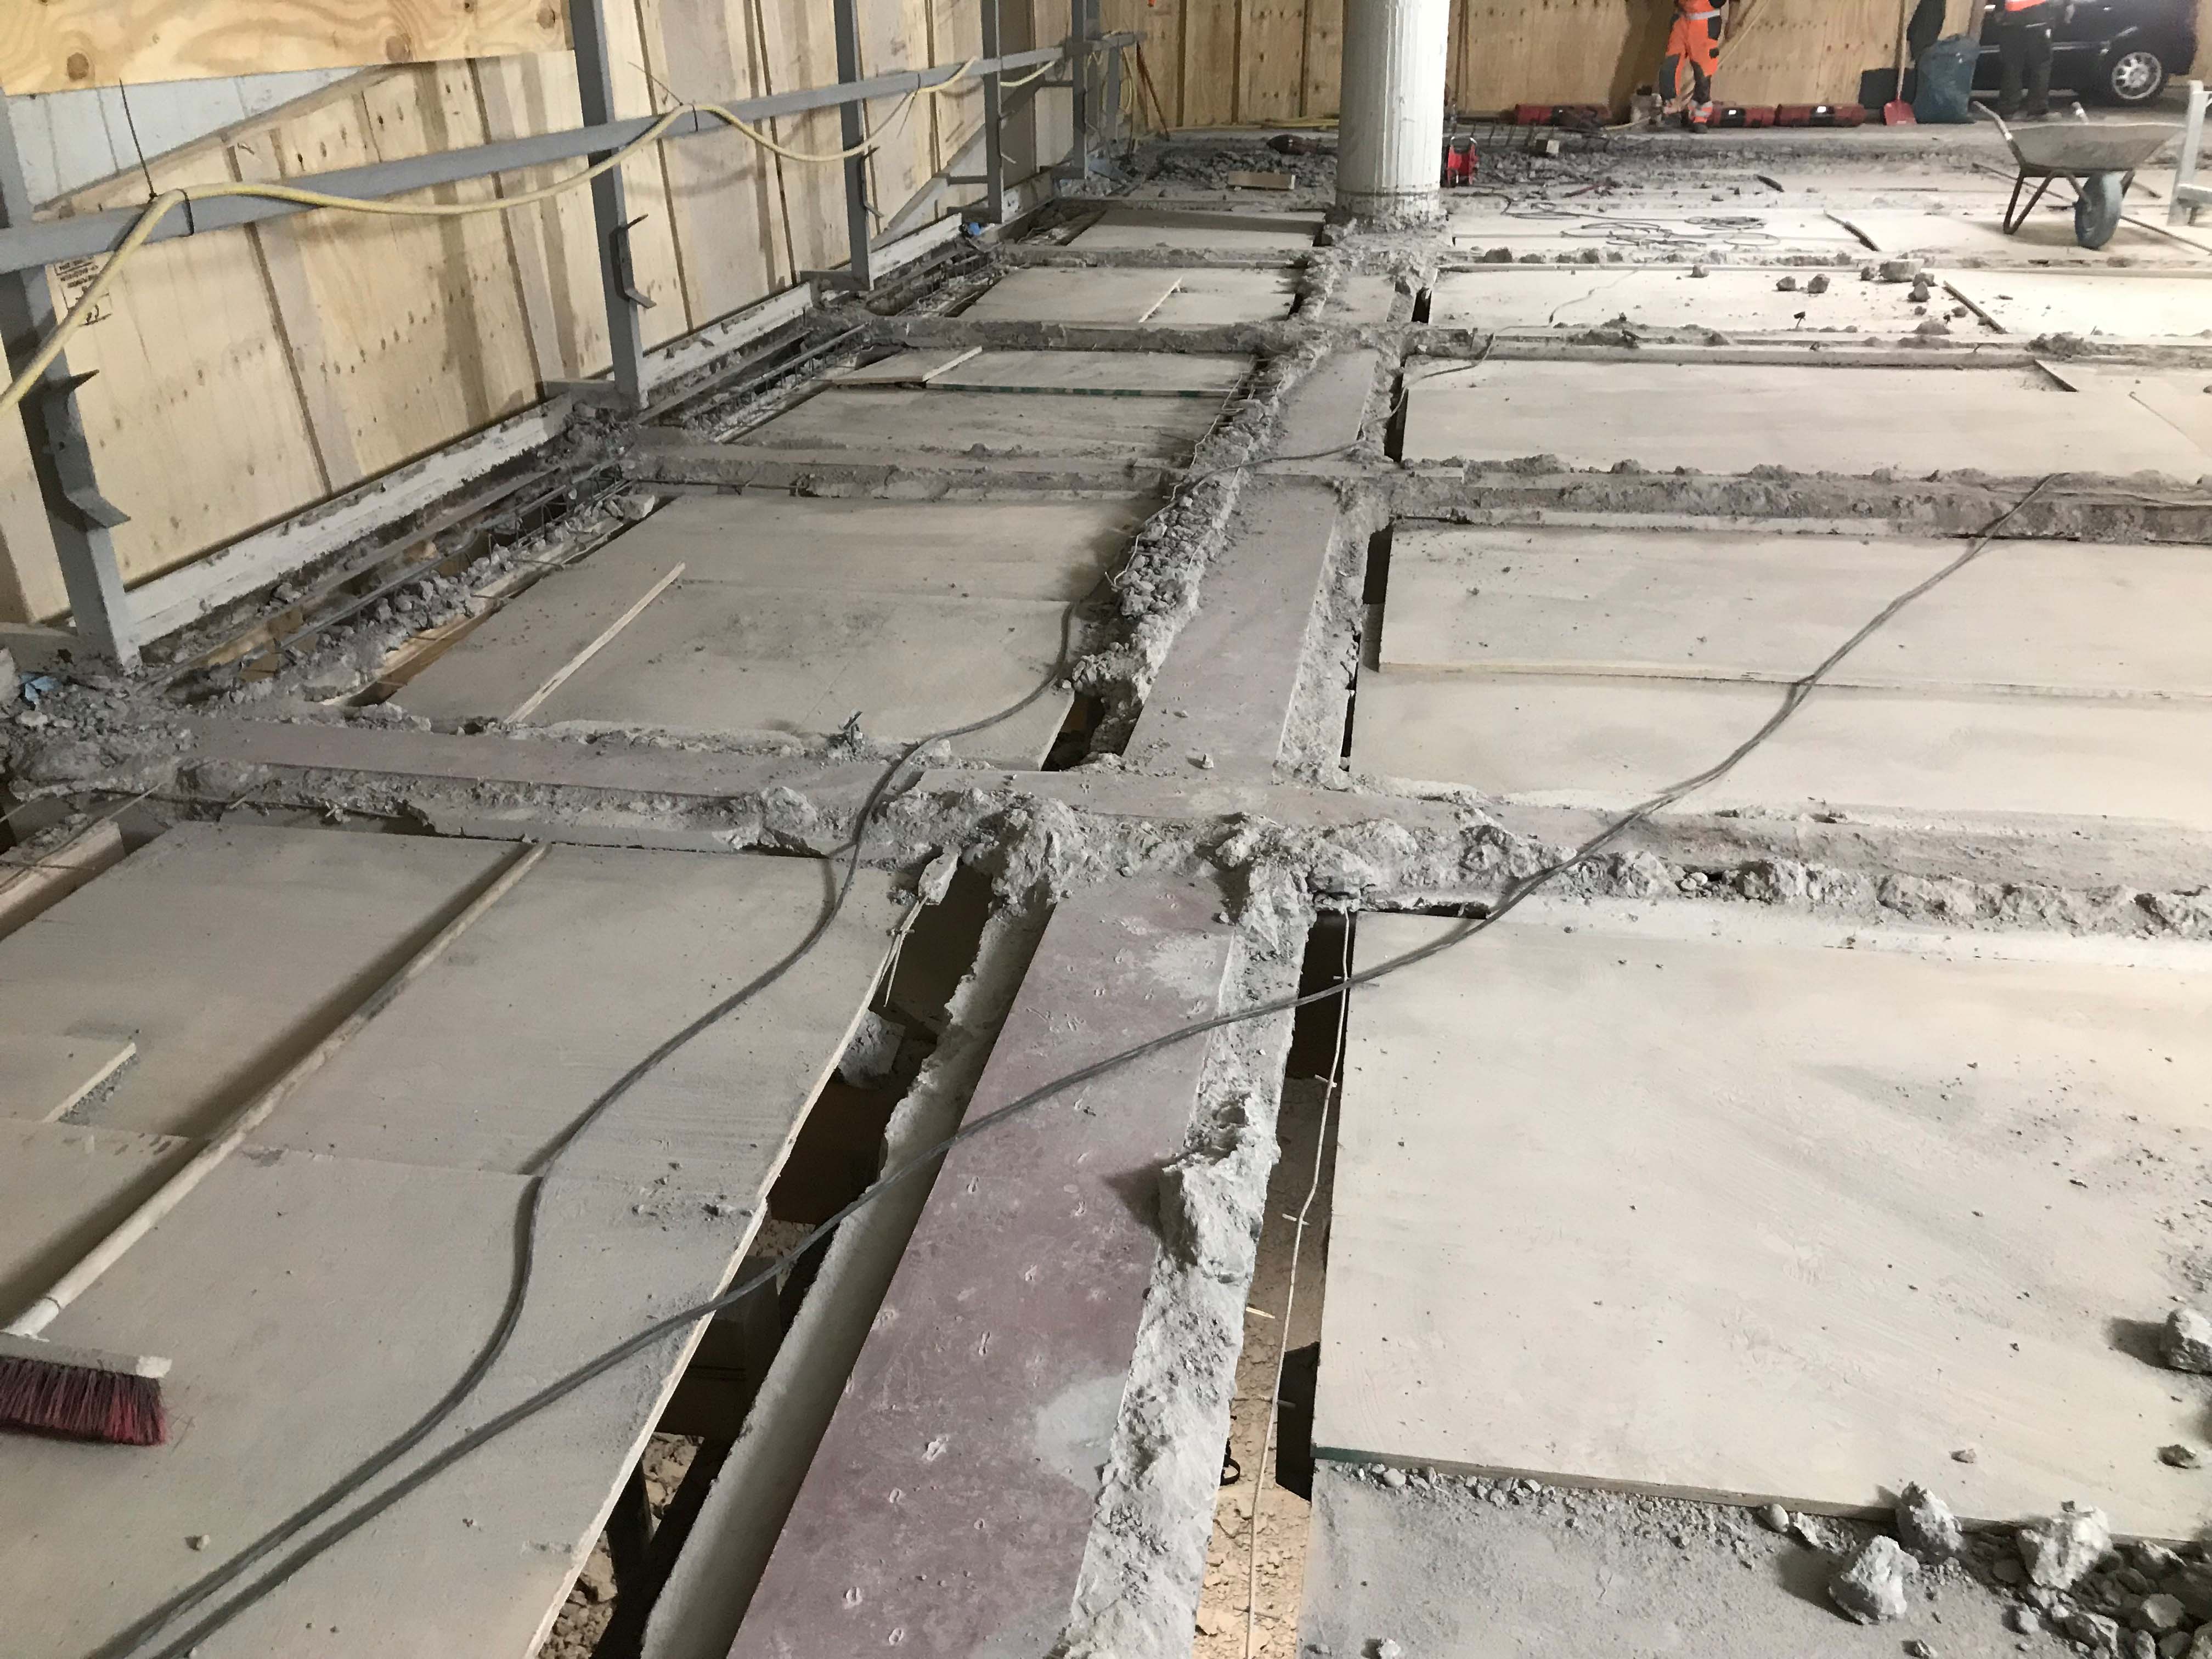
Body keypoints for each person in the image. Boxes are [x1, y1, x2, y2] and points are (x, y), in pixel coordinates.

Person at [1658, 0, 1729, 131]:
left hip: (1705, 24)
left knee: (1703, 74)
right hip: (1682, 21)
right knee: (1669, 69)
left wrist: (1733, 23)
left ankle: (1699, 116)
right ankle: (1671, 112)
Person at [1993, 0, 2054, 120]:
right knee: (2041, 66)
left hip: (2011, 21)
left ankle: (2008, 110)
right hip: (2037, 19)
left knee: (2012, 67)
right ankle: (2038, 110)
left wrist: (1999, 11)